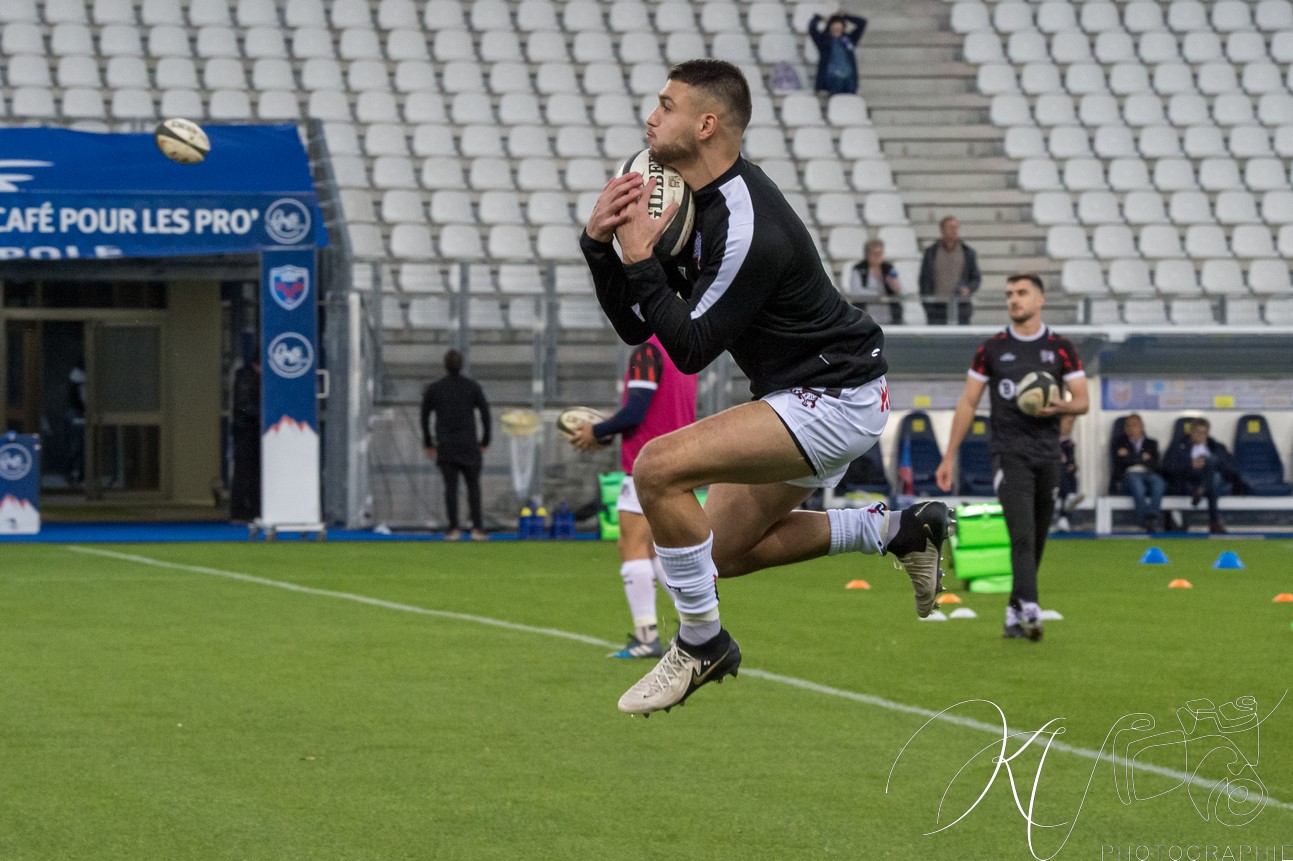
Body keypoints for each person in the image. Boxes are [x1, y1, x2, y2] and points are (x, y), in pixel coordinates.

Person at [581, 59, 950, 717]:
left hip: (836, 396)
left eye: (665, 105)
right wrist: (598, 246)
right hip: (800, 395)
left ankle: (701, 642)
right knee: (717, 552)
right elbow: (638, 323)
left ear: (705, 123)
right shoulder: (691, 202)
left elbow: (690, 351)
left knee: (656, 468)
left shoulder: (748, 223)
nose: (650, 116)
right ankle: (896, 530)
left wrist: (637, 260)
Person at [934, 273, 1088, 641]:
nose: (1014, 300)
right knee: (1020, 533)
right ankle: (1031, 609)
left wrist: (1058, 407)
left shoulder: (1061, 347)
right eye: (1009, 294)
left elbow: (1082, 401)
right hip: (1008, 452)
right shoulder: (991, 348)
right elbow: (969, 402)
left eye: (1022, 293)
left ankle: (1013, 613)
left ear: (1040, 300)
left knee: (1036, 539)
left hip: (1047, 453)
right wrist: (948, 456)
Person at [567, 336, 698, 660]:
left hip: (649, 465)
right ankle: (698, 628)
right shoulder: (684, 350)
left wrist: (595, 432)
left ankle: (647, 637)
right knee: (659, 552)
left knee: (632, 546)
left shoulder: (648, 351)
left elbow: (635, 413)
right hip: (679, 461)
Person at [420, 349, 491, 541]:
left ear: (444, 366)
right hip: (469, 443)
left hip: (447, 445)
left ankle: (453, 529)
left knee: (450, 488)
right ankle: (477, 528)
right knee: (473, 487)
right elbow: (485, 413)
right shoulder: (472, 386)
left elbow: (424, 416)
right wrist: (485, 440)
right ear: (462, 366)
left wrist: (428, 441)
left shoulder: (435, 388)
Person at [1161, 417, 1241, 534]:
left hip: (1211, 479)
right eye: (1197, 432)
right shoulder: (1177, 446)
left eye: (1203, 433)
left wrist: (1209, 463)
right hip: (1188, 479)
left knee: (1213, 467)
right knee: (1213, 478)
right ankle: (1214, 522)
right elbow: (1167, 467)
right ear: (1191, 432)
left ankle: (1202, 488)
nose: (1200, 436)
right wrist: (1190, 464)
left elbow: (1230, 468)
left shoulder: (1216, 447)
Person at [918, 216, 981, 325]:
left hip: (960, 307)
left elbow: (976, 278)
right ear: (942, 230)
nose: (954, 230)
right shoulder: (931, 253)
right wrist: (927, 305)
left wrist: (968, 289)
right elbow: (924, 280)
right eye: (950, 227)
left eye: (956, 227)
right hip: (936, 308)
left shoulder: (968, 253)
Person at [1110, 413, 1166, 533]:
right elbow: (1119, 463)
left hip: (1148, 474)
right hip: (1128, 476)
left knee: (1159, 482)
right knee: (1137, 484)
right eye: (1128, 426)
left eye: (1135, 425)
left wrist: (1130, 457)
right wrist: (1142, 458)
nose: (1132, 428)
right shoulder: (1119, 443)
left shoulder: (1151, 443)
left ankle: (1152, 516)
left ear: (1142, 427)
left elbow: (1156, 464)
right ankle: (1143, 521)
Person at [230, 358, 261, 522]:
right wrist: (262, 416)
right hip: (246, 431)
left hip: (253, 431)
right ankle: (240, 510)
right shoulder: (246, 378)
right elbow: (244, 406)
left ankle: (252, 509)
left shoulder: (247, 377)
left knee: (253, 472)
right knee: (244, 472)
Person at [808, 11, 868, 95]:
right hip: (832, 78)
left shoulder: (849, 39)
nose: (837, 27)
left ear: (843, 26)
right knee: (838, 102)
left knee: (850, 103)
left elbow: (862, 23)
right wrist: (818, 18)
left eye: (839, 24)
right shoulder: (823, 40)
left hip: (849, 78)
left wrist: (846, 16)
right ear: (830, 26)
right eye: (834, 24)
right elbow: (812, 29)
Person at [847, 238, 903, 325]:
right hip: (866, 312)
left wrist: (894, 284)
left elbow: (898, 290)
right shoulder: (859, 269)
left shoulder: (888, 268)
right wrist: (877, 294)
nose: (878, 256)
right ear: (867, 254)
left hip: (887, 314)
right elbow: (856, 291)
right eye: (875, 254)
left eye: (880, 253)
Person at [1052, 414, 1079, 533]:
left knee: (1070, 476)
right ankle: (1070, 496)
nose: (1071, 426)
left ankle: (1063, 518)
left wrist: (1071, 466)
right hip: (1047, 474)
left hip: (1062, 478)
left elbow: (1071, 462)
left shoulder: (1069, 443)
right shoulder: (1049, 440)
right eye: (1069, 422)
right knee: (1061, 468)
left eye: (1073, 423)